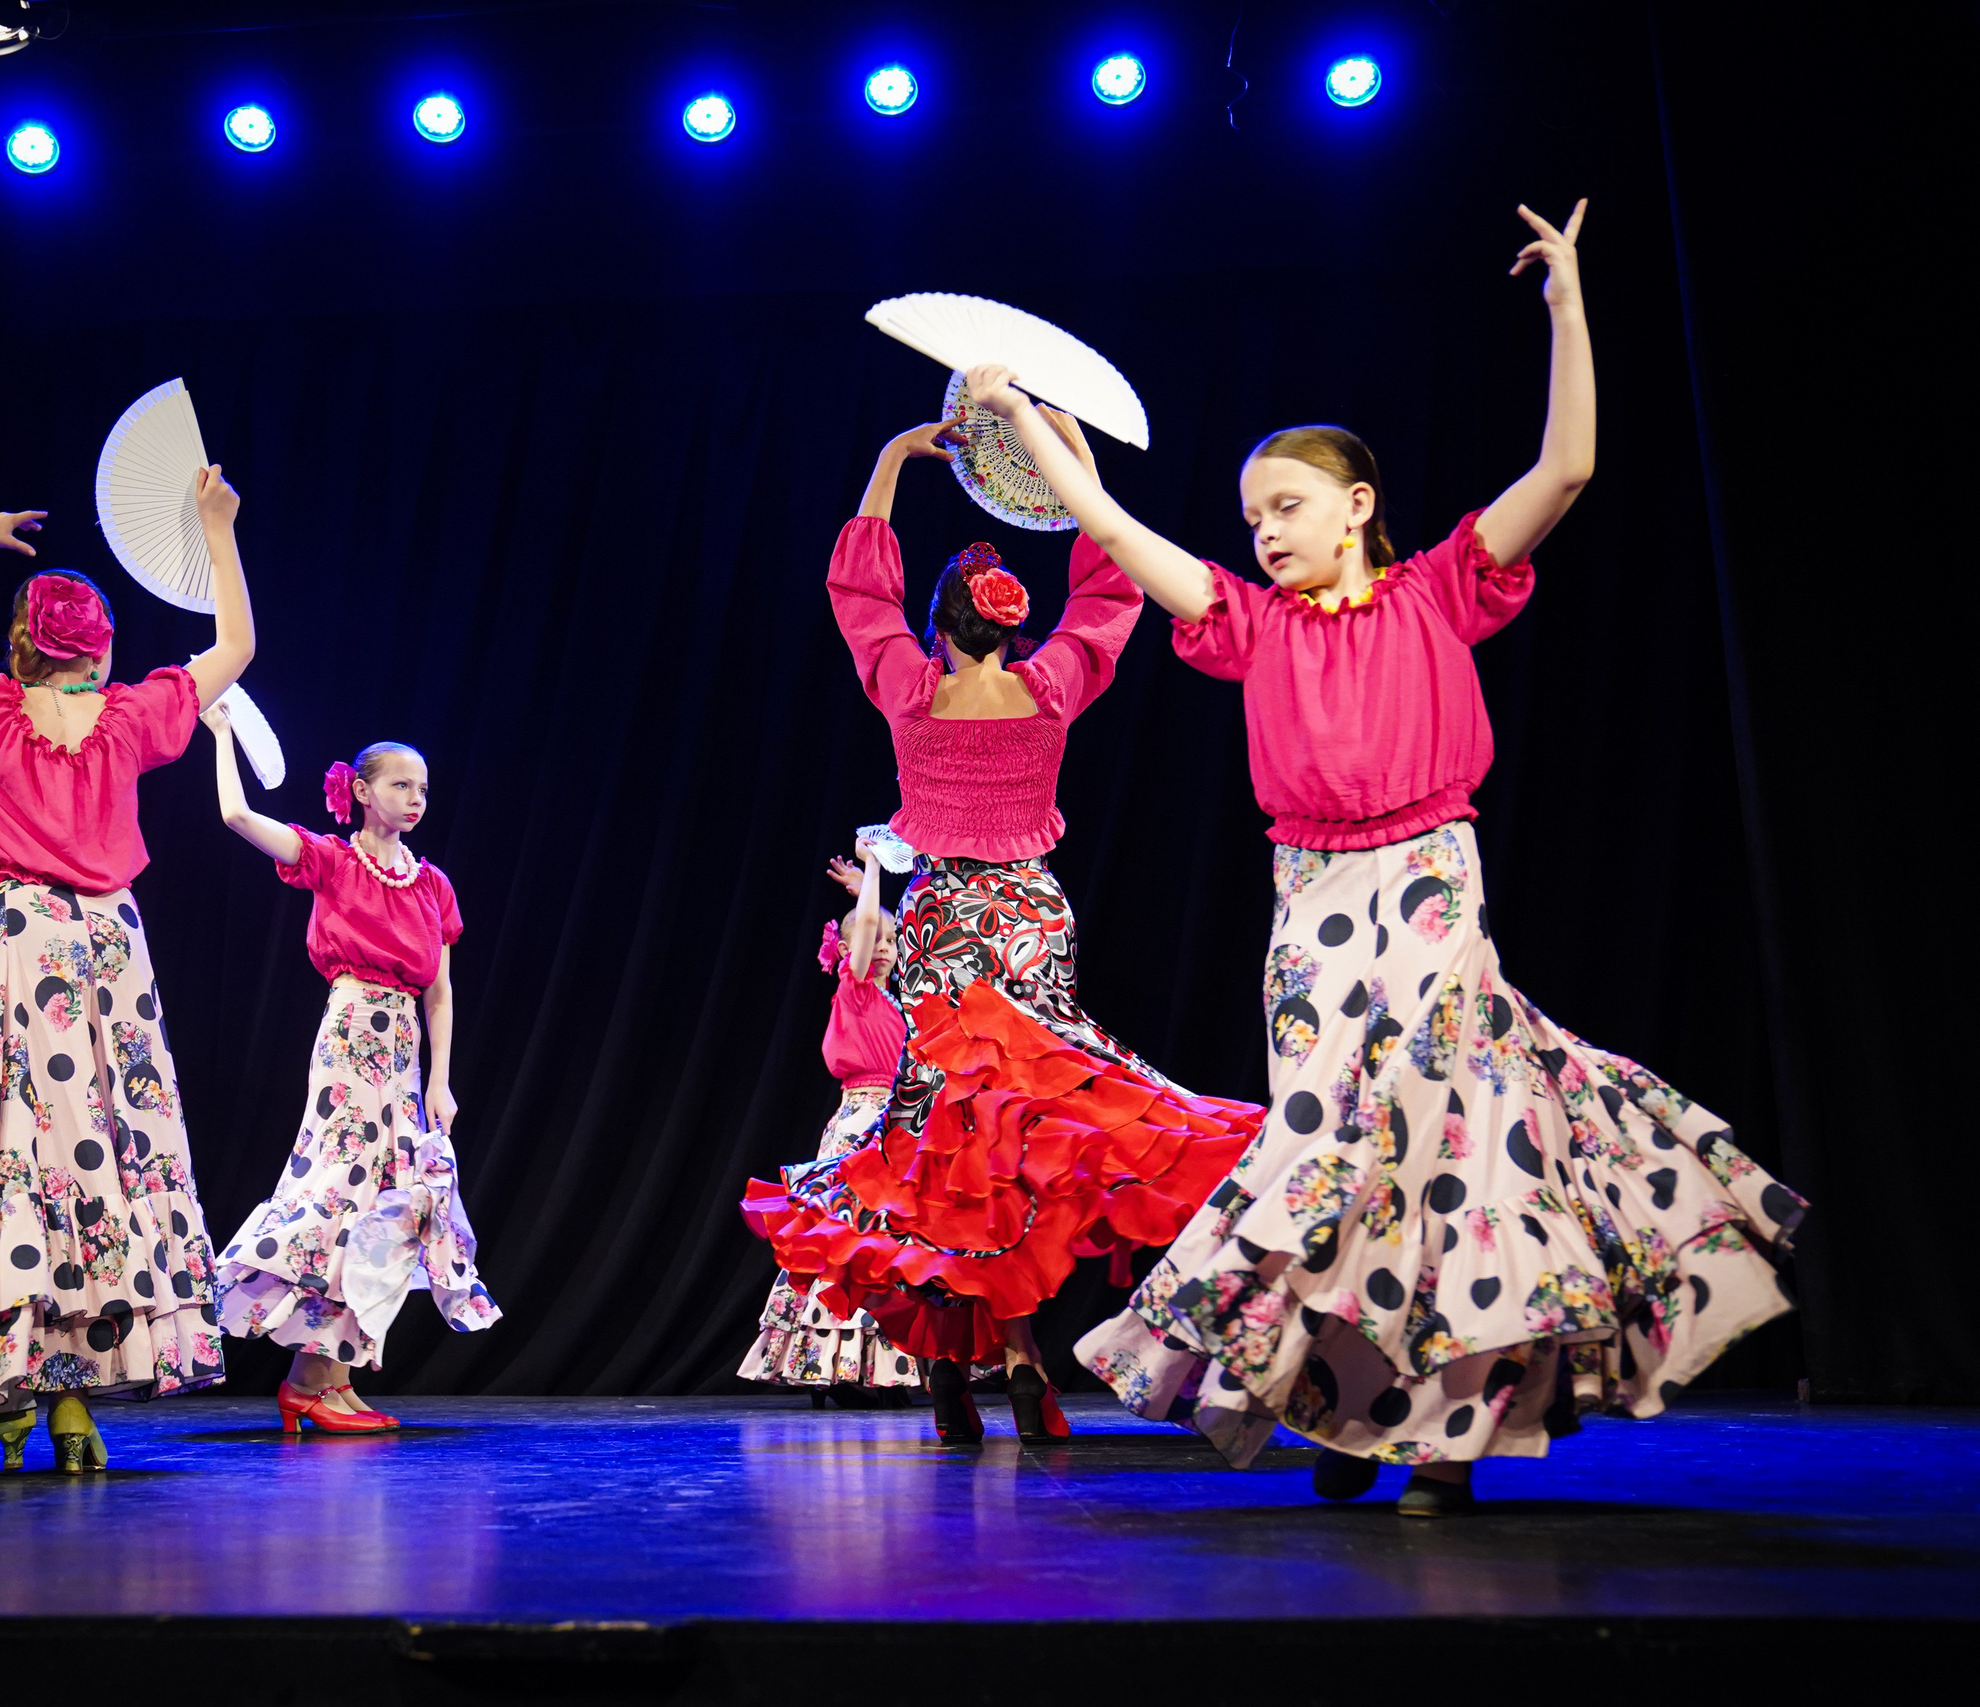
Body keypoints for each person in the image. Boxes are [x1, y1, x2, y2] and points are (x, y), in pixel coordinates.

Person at [991, 201, 1806, 1515]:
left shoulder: (1440, 589)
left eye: (1289, 506)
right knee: (1327, 1162)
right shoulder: (1252, 626)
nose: (1263, 529)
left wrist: (1569, 305)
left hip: (1427, 882)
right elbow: (1116, 531)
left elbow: (1572, 466)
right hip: (1310, 908)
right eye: (1252, 514)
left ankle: (1440, 1439)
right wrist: (1023, 421)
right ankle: (1345, 1407)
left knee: (1437, 1160)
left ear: (1358, 507)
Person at [742, 410, 1264, 1447]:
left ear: (939, 628)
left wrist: (889, 457)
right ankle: (1018, 1360)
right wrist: (1074, 458)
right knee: (1022, 1137)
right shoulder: (1049, 686)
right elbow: (1111, 582)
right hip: (1028, 914)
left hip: (942, 920)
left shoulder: (908, 686)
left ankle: (961, 1363)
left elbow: (858, 595)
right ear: (1011, 629)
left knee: (946, 1147)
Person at [0, 464, 255, 1476]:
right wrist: (216, 529)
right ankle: (74, 1399)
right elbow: (238, 647)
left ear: (21, 643)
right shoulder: (130, 717)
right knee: (99, 1161)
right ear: (105, 645)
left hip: (28, 944)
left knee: (7, 1158)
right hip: (113, 952)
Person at [209, 724, 498, 1434]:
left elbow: (440, 990)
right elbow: (238, 817)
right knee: (340, 1192)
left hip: (401, 1046)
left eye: (423, 788)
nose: (416, 798)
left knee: (381, 1210)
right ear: (363, 792)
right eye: (401, 785)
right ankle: (311, 1378)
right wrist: (222, 735)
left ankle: (328, 1376)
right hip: (351, 1033)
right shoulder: (335, 861)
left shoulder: (431, 883)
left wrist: (441, 1080)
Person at [738, 842, 926, 1399]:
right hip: (858, 1124)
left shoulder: (893, 1004)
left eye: (894, 942)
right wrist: (870, 871)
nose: (887, 949)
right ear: (846, 950)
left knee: (884, 1242)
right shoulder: (857, 990)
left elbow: (874, 923)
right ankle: (836, 1368)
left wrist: (869, 892)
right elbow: (866, 924)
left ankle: (883, 1369)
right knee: (849, 1239)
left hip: (893, 1126)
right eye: (876, 943)